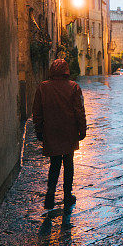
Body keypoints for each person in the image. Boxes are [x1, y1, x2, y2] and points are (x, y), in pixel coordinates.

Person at [33, 58, 87, 209]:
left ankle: (50, 194)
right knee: (68, 164)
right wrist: (82, 130)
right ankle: (67, 195)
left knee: (54, 164)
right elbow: (79, 111)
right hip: (69, 132)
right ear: (66, 71)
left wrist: (39, 130)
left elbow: (37, 112)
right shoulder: (73, 87)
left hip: (51, 132)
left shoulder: (42, 88)